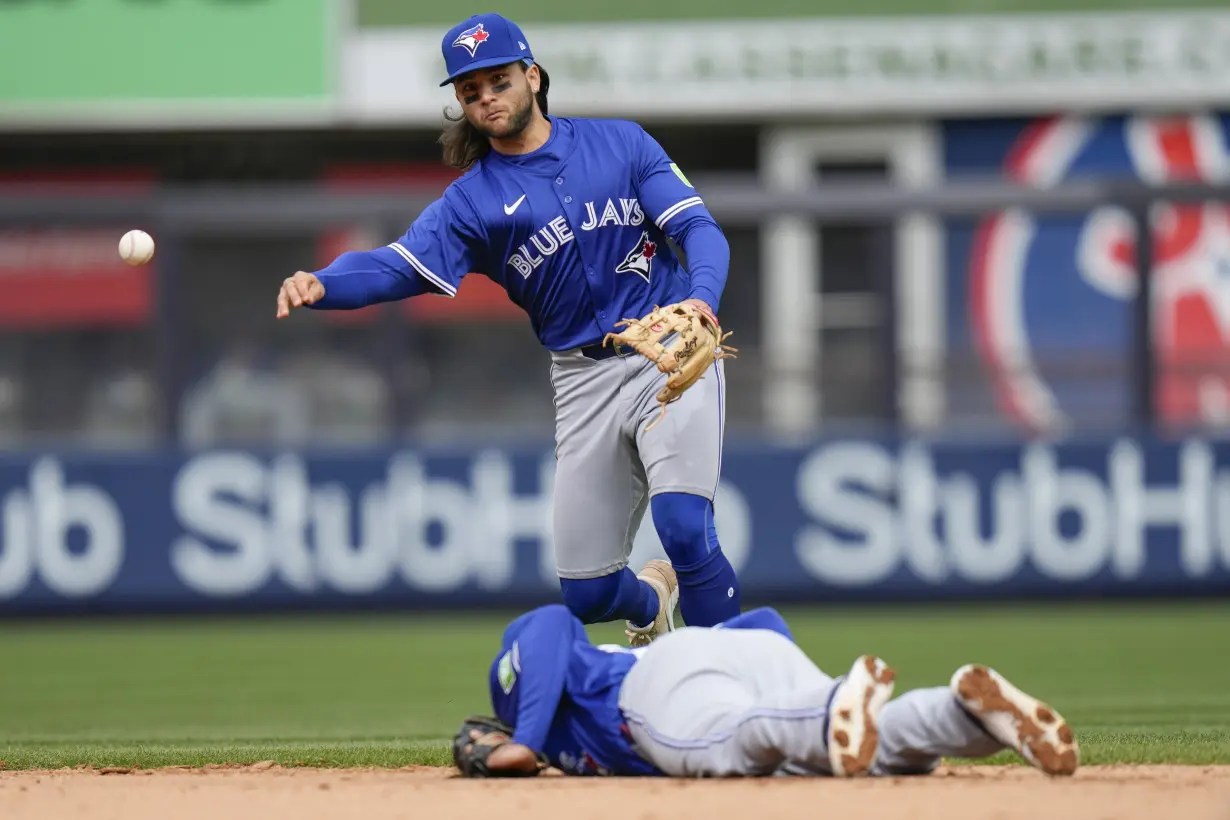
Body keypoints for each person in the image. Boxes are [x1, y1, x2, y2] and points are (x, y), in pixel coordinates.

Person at [274, 12, 739, 645]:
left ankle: (744, 691)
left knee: (684, 525)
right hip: (582, 379)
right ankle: (651, 600)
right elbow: (396, 266)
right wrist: (324, 283)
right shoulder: (471, 202)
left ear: (533, 76)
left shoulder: (622, 144)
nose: (487, 97)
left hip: (670, 352)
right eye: (471, 90)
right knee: (587, 593)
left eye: (499, 80)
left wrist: (701, 303)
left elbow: (698, 231)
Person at [452, 604, 1080, 779]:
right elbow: (764, 625)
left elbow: (549, 628)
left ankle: (833, 704)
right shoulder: (561, 728)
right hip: (731, 653)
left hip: (650, 691)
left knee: (735, 738)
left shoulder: (520, 684)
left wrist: (523, 739)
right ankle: (962, 715)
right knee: (856, 750)